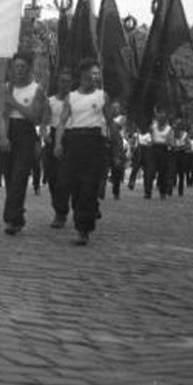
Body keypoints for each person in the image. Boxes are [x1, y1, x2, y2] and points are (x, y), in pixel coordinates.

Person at [54, 58, 109, 246]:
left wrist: (116, 146)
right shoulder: (71, 97)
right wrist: (58, 143)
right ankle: (80, 216)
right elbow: (62, 122)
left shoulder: (103, 96)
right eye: (93, 73)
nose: (96, 77)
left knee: (89, 186)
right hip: (75, 141)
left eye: (97, 73)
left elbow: (109, 122)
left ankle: (83, 229)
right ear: (83, 74)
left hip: (94, 142)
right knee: (74, 186)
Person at [1, 51, 48, 236]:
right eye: (16, 66)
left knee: (20, 177)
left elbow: (34, 117)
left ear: (28, 68)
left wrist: (15, 103)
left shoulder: (37, 89)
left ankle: (11, 219)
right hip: (9, 132)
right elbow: (4, 115)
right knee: (9, 177)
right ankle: (17, 216)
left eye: (22, 66)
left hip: (26, 133)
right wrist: (4, 137)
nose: (19, 70)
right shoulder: (6, 87)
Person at [43, 69, 73, 228]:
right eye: (62, 81)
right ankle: (58, 207)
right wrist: (45, 135)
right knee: (53, 177)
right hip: (53, 137)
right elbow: (45, 121)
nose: (64, 85)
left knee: (64, 178)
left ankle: (61, 213)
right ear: (57, 83)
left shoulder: (75, 101)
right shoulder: (50, 101)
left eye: (67, 82)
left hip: (70, 138)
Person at [145, 107, 174, 200]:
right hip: (154, 149)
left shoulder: (169, 129)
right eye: (159, 115)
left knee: (163, 173)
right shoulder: (153, 126)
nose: (160, 117)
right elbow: (148, 134)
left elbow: (170, 141)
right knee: (150, 171)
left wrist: (165, 143)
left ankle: (163, 192)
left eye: (162, 116)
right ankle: (148, 192)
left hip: (164, 150)